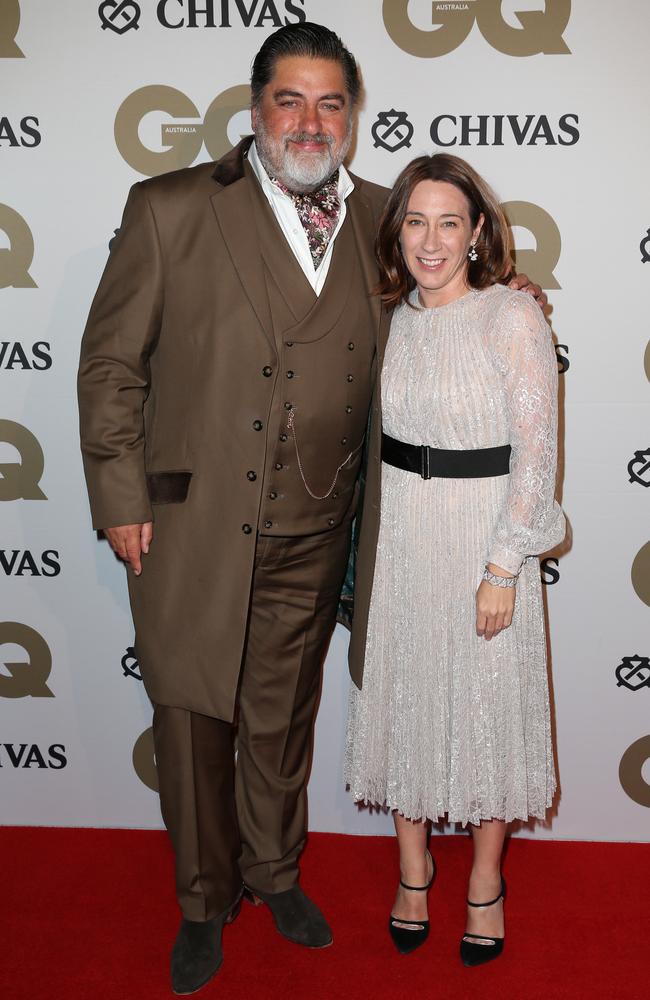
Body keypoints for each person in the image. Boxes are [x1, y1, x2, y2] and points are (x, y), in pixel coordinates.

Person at [78, 22, 545, 995]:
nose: (309, 119)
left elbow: (453, 311)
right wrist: (122, 498)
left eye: (330, 102)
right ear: (255, 110)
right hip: (190, 528)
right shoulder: (170, 208)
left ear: (352, 115)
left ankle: (274, 872)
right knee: (194, 720)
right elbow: (112, 367)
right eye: (289, 99)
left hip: (319, 532)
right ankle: (204, 902)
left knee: (282, 716)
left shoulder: (388, 220)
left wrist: (512, 296)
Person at [345, 153, 565, 967]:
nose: (430, 241)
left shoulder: (511, 317)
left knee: (486, 712)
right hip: (402, 535)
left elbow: (537, 456)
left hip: (484, 541)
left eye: (448, 222)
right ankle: (412, 870)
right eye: (414, 221)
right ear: (395, 231)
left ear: (477, 232)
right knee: (406, 702)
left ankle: (483, 881)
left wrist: (504, 565)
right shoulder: (391, 317)